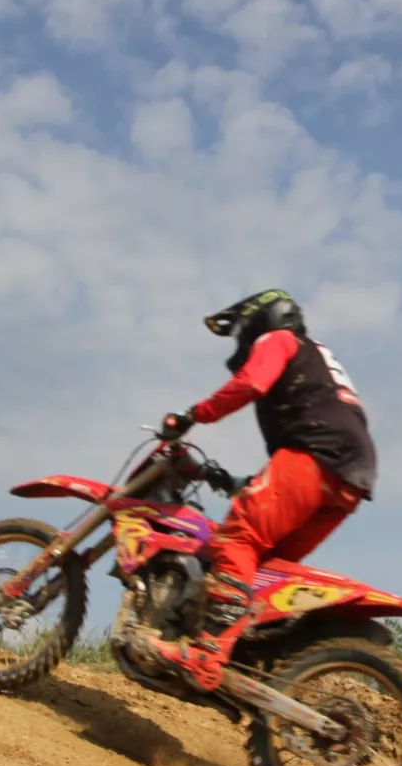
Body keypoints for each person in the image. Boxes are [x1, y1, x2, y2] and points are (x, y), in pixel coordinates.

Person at [149, 289, 377, 691]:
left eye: (242, 329)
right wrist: (233, 483)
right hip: (349, 477)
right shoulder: (318, 358)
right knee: (262, 573)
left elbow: (251, 383)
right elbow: (291, 477)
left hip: (315, 455)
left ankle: (206, 655)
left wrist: (190, 416)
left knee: (237, 539)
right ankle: (257, 664)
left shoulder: (280, 339)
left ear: (261, 318)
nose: (241, 339)